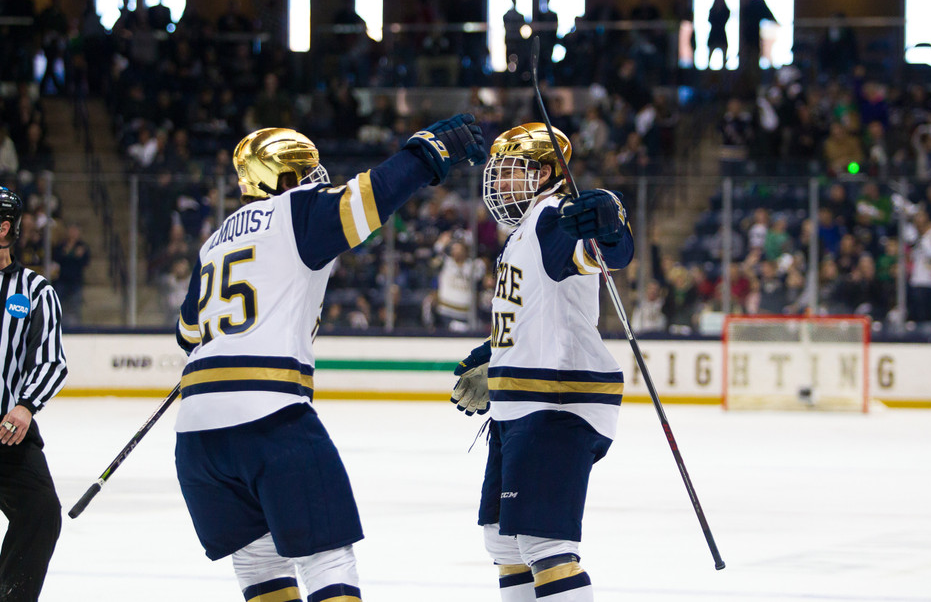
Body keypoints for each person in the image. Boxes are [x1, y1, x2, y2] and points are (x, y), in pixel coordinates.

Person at [174, 116, 486, 602]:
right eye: (304, 171)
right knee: (327, 558)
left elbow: (187, 333)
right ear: (282, 180)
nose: (314, 179)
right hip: (269, 419)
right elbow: (372, 195)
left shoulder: (212, 244)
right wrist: (428, 153)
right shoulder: (296, 214)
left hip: (196, 438)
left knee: (260, 567)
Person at [450, 123, 634, 601]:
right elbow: (534, 310)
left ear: (547, 173)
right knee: (503, 541)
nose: (501, 184)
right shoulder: (524, 230)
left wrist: (611, 224)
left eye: (513, 172)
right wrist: (492, 357)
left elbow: (603, 253)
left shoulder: (553, 216)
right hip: (518, 407)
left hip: (554, 404)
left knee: (545, 545)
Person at [0, 187, 66, 601]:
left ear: (4, 227)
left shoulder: (34, 290)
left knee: (40, 513)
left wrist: (26, 406)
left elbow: (51, 361)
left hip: (6, 433)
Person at [707, 0, 730, 69]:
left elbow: (723, 21)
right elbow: (710, 20)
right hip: (714, 35)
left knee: (724, 59)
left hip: (721, 34)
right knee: (709, 58)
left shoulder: (726, 11)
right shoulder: (712, 10)